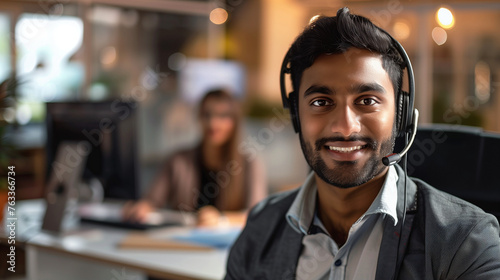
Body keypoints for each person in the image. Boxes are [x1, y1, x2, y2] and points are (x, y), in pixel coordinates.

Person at [225, 7, 500, 280]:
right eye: (321, 102)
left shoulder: (466, 243)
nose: (345, 127)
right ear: (297, 115)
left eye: (367, 101)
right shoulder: (261, 229)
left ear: (400, 115)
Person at [122, 89, 267, 227]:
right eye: (207, 114)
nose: (213, 123)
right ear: (199, 117)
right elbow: (153, 200)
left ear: (235, 121)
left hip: (226, 246)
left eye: (223, 116)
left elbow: (258, 215)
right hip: (183, 242)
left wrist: (222, 220)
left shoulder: (249, 163)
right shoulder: (178, 161)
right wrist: (142, 207)